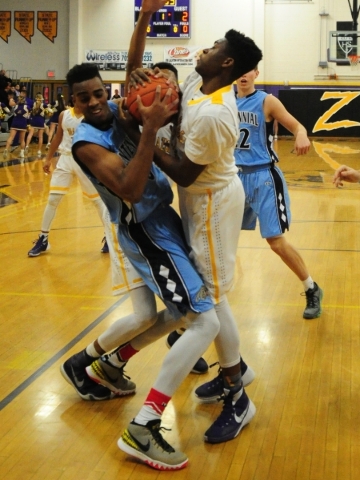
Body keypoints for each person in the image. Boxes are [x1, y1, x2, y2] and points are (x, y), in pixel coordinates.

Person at [62, 58, 223, 470]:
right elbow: (131, 190)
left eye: (100, 93)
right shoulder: (86, 142)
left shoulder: (117, 109)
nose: (96, 101)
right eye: (85, 97)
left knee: (172, 316)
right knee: (205, 322)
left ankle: (110, 364)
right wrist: (150, 127)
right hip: (145, 231)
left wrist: (146, 17)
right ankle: (143, 425)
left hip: (161, 222)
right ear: (72, 102)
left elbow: (134, 70)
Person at [119, 0, 263, 452]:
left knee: (211, 300)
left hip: (215, 203)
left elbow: (184, 173)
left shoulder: (217, 112)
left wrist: (149, 129)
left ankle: (239, 396)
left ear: (228, 62)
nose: (205, 47)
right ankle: (234, 372)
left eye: (215, 46)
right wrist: (143, 23)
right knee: (212, 298)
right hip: (200, 201)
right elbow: (137, 75)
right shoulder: (197, 89)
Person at [233, 67, 323, 319]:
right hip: (234, 178)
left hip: (264, 177)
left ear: (256, 73)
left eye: (248, 70)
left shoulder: (266, 101)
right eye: (239, 70)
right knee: (223, 237)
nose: (243, 75)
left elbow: (297, 126)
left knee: (275, 241)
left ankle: (311, 287)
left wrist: (302, 135)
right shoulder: (225, 101)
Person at [27, 98, 109, 257]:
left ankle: (109, 236)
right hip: (65, 159)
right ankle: (43, 238)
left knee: (97, 201)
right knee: (53, 199)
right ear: (74, 98)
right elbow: (58, 137)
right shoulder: (64, 115)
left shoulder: (92, 115)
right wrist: (48, 158)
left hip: (85, 160)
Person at [3, 94, 29, 159]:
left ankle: (6, 149)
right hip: (23, 124)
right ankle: (22, 153)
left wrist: (12, 99)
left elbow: (10, 103)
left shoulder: (15, 106)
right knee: (22, 140)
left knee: (10, 137)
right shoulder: (27, 107)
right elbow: (29, 116)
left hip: (15, 123)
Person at [24, 93, 49, 157]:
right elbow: (50, 110)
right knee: (40, 136)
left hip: (33, 121)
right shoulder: (44, 105)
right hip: (40, 121)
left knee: (30, 134)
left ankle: (26, 146)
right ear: (41, 99)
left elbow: (28, 109)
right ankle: (39, 151)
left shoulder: (33, 104)